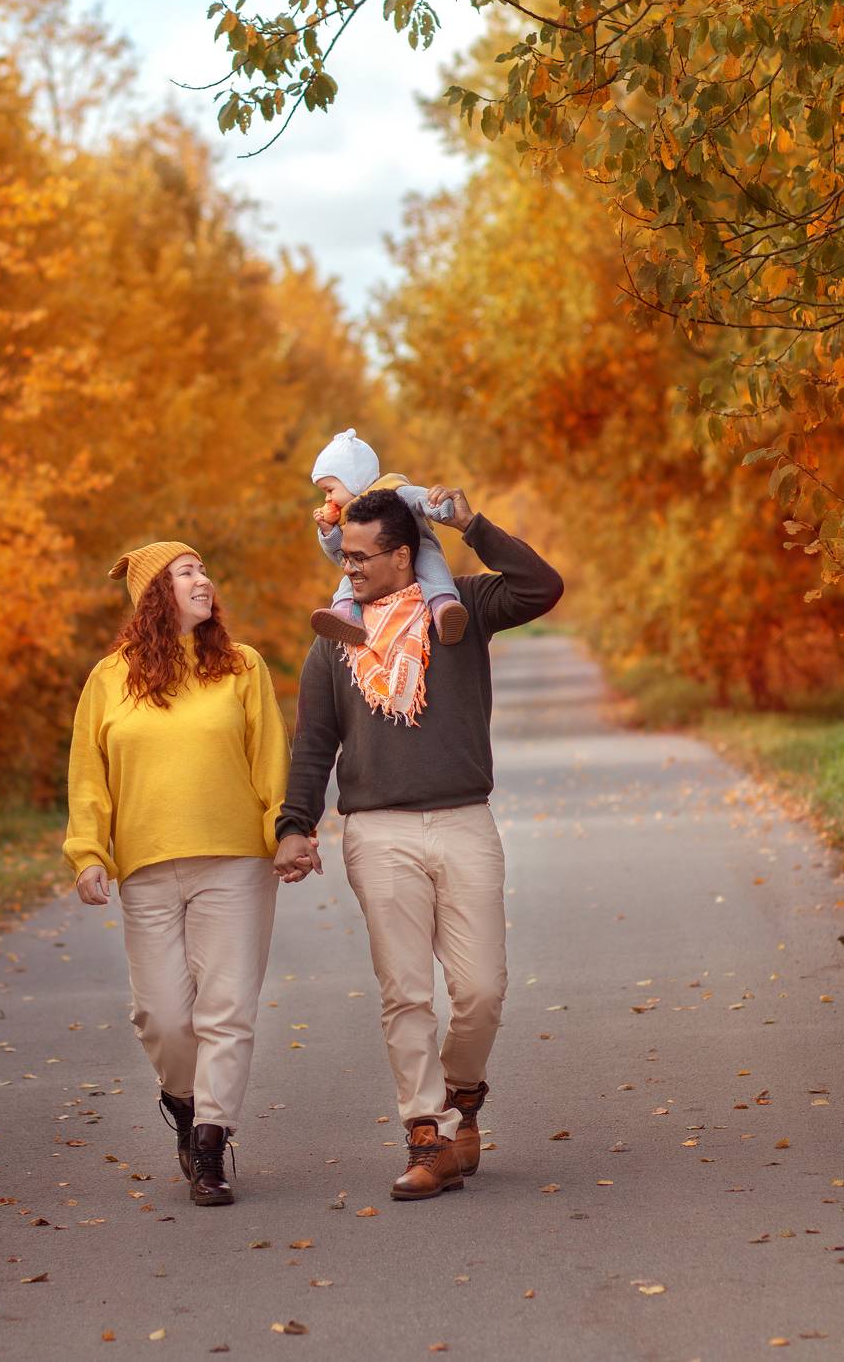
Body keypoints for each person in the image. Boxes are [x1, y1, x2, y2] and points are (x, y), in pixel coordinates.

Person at [273, 488, 563, 1201]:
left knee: (481, 990)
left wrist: (471, 525)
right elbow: (313, 743)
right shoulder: (335, 636)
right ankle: (426, 1135)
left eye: (361, 556)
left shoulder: (459, 610)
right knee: (405, 992)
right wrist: (295, 825)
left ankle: (463, 1097)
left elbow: (540, 587)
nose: (348, 568)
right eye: (343, 556)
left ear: (403, 556)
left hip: (464, 822)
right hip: (378, 833)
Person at [65, 540, 290, 1207]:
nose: (203, 579)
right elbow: (88, 774)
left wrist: (286, 831)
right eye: (186, 572)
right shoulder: (109, 677)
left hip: (236, 862)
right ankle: (185, 1103)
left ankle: (212, 1142)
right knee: (161, 1016)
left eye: (202, 569)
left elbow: (270, 759)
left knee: (226, 1009)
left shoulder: (241, 665)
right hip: (148, 866)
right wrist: (88, 851)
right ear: (153, 596)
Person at [309, 427, 469, 653]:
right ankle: (346, 614)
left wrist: (441, 508)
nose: (327, 498)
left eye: (329, 490)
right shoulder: (347, 518)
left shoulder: (394, 489)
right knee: (351, 576)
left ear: (353, 481)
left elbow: (420, 498)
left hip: (418, 545)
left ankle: (444, 608)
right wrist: (328, 533)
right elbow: (342, 557)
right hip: (373, 565)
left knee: (432, 566)